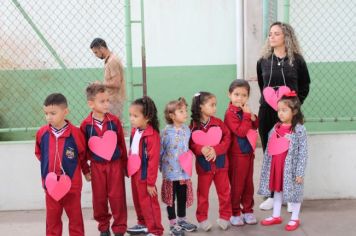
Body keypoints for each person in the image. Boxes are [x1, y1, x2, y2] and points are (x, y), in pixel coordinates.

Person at [257, 22, 311, 211]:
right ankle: (273, 195)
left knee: (291, 155)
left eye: (276, 33)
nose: (271, 37)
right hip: (268, 113)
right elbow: (263, 86)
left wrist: (293, 107)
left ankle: (291, 197)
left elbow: (305, 85)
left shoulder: (297, 60)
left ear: (286, 37)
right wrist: (272, 105)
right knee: (271, 154)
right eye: (270, 33)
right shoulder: (263, 61)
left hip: (290, 116)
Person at [35, 93, 90, 236]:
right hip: (51, 185)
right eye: (46, 113)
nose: (48, 117)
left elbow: (82, 156)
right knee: (52, 220)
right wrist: (49, 170)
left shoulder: (76, 134)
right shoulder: (42, 133)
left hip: (72, 186)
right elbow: (39, 154)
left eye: (53, 113)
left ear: (65, 112)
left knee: (75, 219)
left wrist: (86, 171)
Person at [80, 83, 128, 236]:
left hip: (115, 166)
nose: (107, 104)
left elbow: (121, 144)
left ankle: (119, 228)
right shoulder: (86, 125)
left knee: (117, 197)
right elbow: (82, 150)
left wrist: (125, 165)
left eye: (108, 100)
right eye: (102, 101)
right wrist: (85, 170)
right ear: (91, 104)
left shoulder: (114, 121)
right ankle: (103, 227)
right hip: (97, 167)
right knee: (99, 199)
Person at [258, 92, 308, 231]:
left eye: (284, 110)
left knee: (294, 192)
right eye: (279, 110)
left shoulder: (299, 129)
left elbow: (303, 152)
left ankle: (295, 218)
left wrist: (299, 172)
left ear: (295, 111)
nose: (280, 113)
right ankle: (276, 215)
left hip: (290, 169)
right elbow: (271, 145)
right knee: (277, 190)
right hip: (277, 166)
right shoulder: (276, 127)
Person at [189, 92, 232, 231]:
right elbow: (190, 143)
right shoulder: (193, 126)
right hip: (204, 168)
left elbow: (227, 139)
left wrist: (216, 150)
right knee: (202, 195)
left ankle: (225, 217)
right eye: (212, 105)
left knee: (224, 193)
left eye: (215, 105)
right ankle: (202, 219)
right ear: (201, 107)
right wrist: (200, 149)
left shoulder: (218, 123)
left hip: (221, 166)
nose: (215, 108)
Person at [127, 96, 164, 236]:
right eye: (130, 115)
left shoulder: (152, 136)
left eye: (135, 116)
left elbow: (153, 161)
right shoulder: (134, 131)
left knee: (149, 203)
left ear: (147, 117)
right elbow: (133, 151)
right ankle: (143, 224)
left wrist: (150, 182)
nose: (131, 118)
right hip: (135, 173)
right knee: (138, 201)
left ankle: (156, 230)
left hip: (145, 176)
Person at [160, 98, 197, 236]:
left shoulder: (187, 130)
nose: (185, 113)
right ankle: (173, 224)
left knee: (182, 196)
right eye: (181, 111)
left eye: (185, 111)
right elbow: (160, 151)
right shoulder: (165, 132)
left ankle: (182, 220)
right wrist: (159, 167)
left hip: (183, 172)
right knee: (170, 199)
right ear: (172, 115)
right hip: (170, 173)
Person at [224, 80, 259, 226]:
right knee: (237, 184)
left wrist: (253, 117)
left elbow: (255, 125)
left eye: (244, 95)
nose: (240, 98)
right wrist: (247, 116)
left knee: (248, 184)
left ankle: (248, 210)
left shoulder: (245, 111)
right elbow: (241, 131)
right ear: (229, 95)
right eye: (236, 94)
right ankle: (235, 212)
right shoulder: (230, 114)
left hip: (248, 153)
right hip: (237, 155)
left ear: (248, 96)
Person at [90, 38, 126, 120]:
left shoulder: (112, 61)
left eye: (96, 52)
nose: (96, 55)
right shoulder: (109, 60)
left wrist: (100, 84)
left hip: (114, 100)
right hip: (112, 99)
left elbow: (116, 83)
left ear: (102, 48)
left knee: (115, 124)